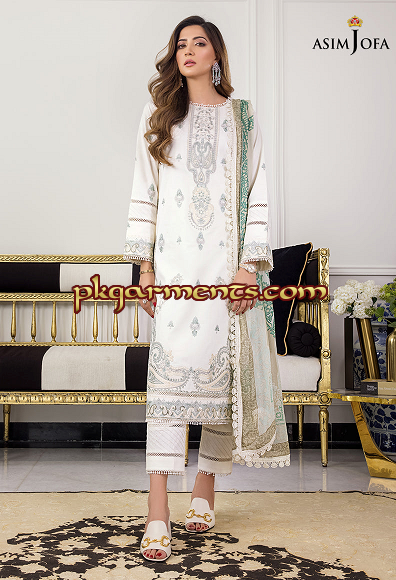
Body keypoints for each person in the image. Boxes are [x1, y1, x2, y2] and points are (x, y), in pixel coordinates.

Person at [123, 15, 290, 562]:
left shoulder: (243, 118)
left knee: (222, 385)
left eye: (199, 43)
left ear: (216, 54)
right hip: (174, 275)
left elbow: (258, 193)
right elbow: (144, 193)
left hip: (225, 275)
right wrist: (144, 270)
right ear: (174, 57)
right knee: (167, 389)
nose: (189, 51)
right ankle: (157, 510)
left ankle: (205, 490)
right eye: (181, 45)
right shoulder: (157, 115)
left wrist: (249, 267)